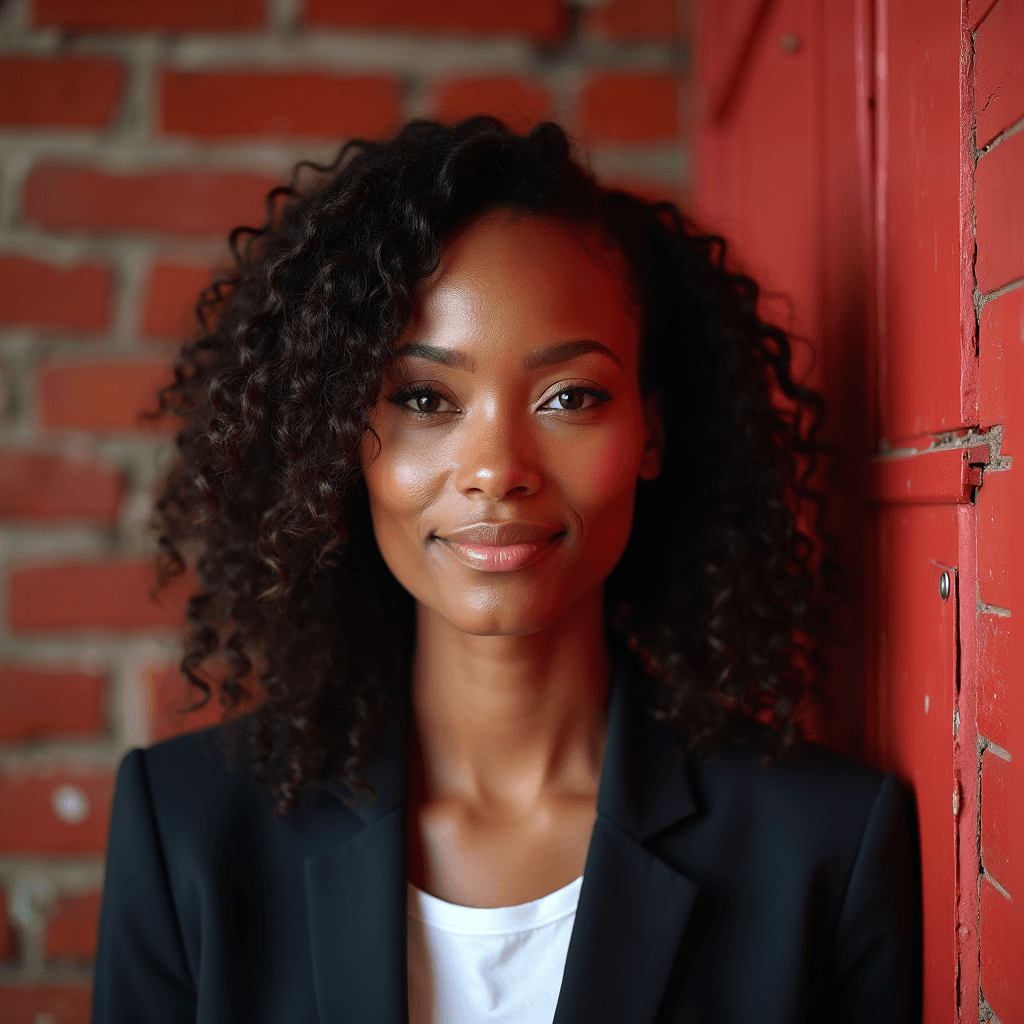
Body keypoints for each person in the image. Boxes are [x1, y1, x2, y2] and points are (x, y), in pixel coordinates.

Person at [92, 117, 915, 1023]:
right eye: (423, 398)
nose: (496, 467)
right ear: (339, 443)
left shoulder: (825, 845)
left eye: (571, 397)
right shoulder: (188, 832)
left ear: (652, 432)